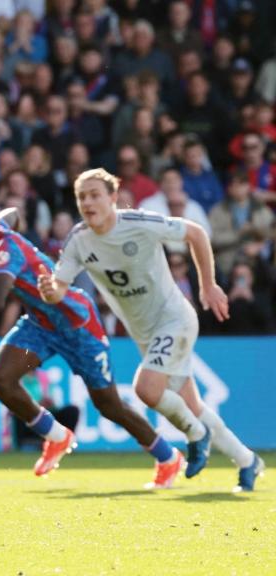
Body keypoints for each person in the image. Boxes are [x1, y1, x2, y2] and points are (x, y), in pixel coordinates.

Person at [0, 194, 185, 488]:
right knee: (0, 379)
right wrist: (2, 220)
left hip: (78, 326)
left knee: (109, 405)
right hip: (40, 324)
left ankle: (168, 457)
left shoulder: (3, 249)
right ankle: (57, 436)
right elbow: (12, 215)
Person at [37, 168, 264, 492]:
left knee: (146, 388)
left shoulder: (139, 223)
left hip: (174, 319)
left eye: (94, 195)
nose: (87, 202)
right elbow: (60, 287)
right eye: (81, 197)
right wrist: (50, 291)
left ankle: (197, 435)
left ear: (113, 198)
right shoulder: (78, 239)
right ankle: (247, 461)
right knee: (192, 406)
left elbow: (196, 233)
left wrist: (208, 285)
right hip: (144, 333)